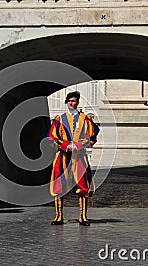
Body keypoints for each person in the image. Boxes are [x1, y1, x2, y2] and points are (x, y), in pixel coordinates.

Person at [47, 91, 99, 226]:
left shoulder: (85, 118)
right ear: (66, 102)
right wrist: (65, 146)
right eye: (69, 100)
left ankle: (83, 216)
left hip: (79, 155)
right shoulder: (60, 119)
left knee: (82, 184)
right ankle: (58, 216)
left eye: (74, 100)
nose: (71, 103)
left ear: (78, 102)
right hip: (63, 155)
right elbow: (52, 137)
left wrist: (78, 145)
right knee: (59, 184)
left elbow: (91, 136)